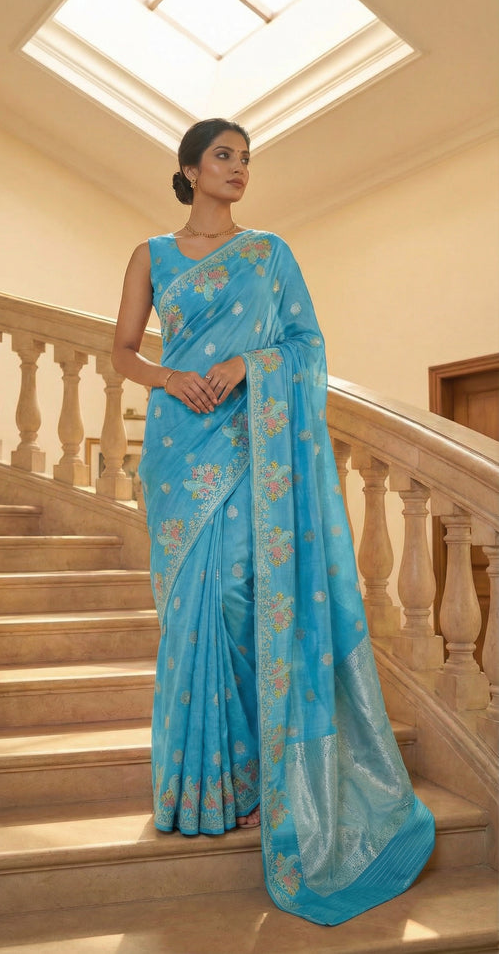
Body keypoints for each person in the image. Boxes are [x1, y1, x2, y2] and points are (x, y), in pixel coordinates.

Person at [111, 117, 435, 926]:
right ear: (188, 169)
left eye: (246, 159)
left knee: (244, 598)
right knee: (192, 609)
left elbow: (304, 345)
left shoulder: (270, 254)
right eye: (223, 156)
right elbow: (121, 349)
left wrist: (243, 365)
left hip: (250, 440)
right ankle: (197, 788)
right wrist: (171, 375)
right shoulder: (149, 255)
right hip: (181, 446)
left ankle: (259, 776)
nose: (238, 169)